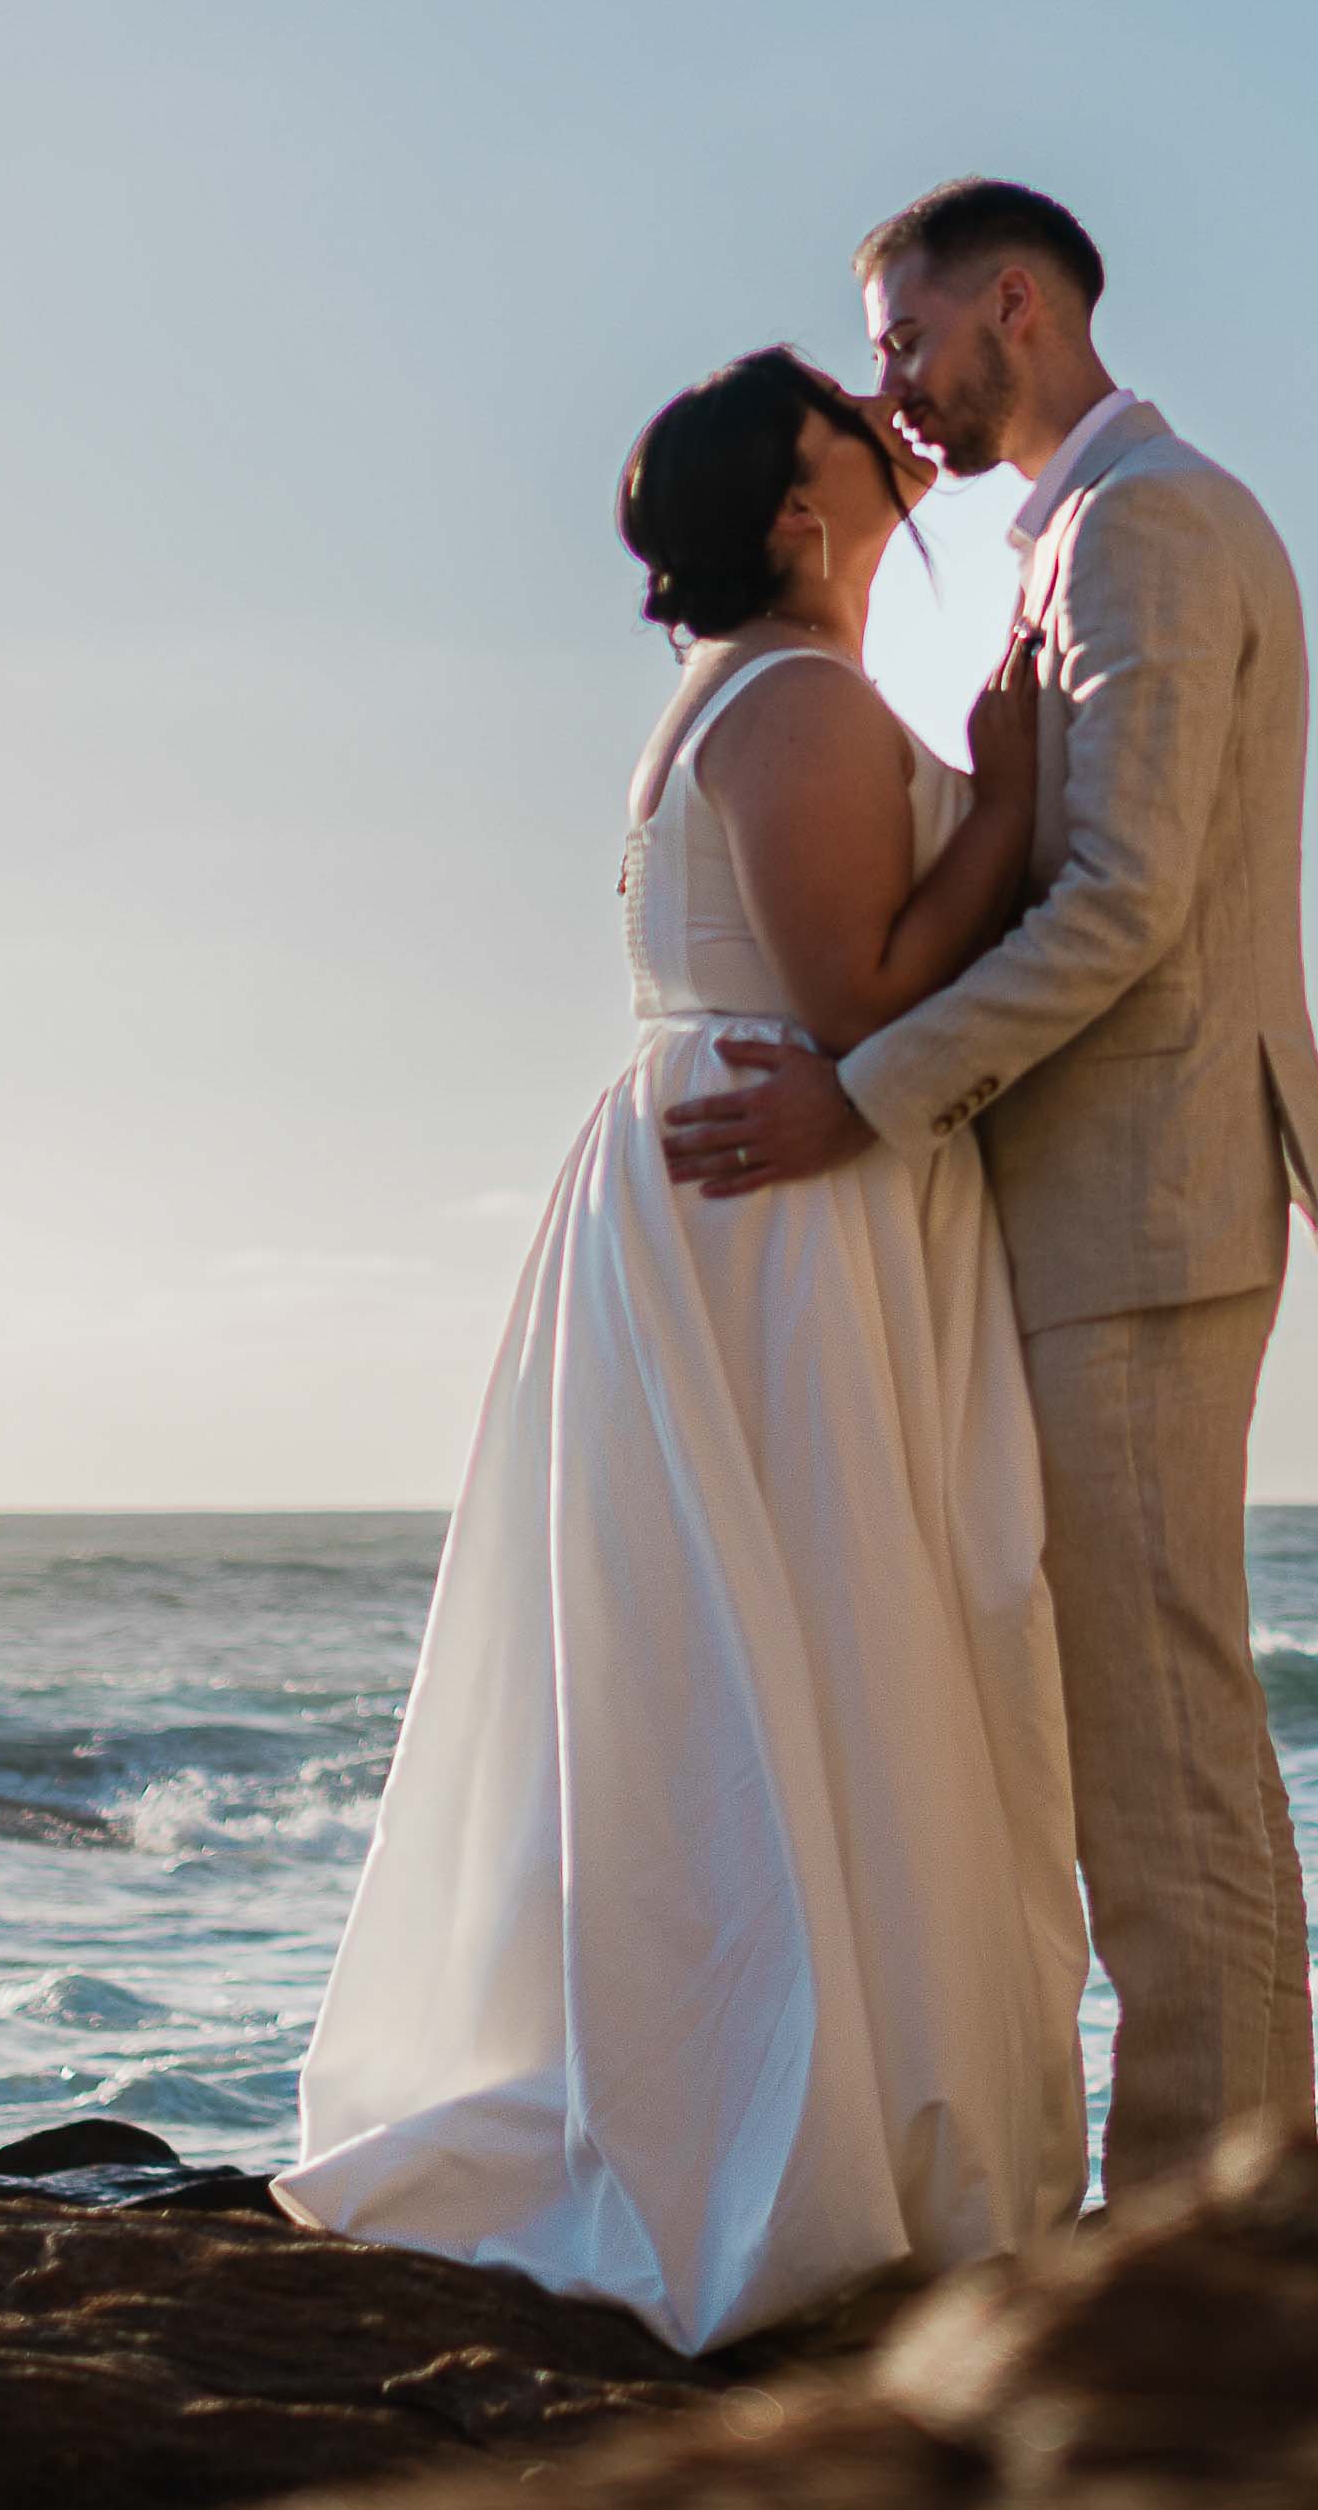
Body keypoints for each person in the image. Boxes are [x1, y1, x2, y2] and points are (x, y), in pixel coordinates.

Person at [279, 348, 1087, 2348]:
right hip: (778, 1207)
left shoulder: (750, 691)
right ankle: (798, 2139)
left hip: (731, 1193)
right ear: (803, 518)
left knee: (760, 1649)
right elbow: (865, 982)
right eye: (853, 435)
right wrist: (1007, 786)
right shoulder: (802, 699)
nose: (896, 449)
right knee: (824, 1624)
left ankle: (771, 2088)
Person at [666, 182, 1318, 2201]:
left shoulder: (1146, 522)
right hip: (1088, 1207)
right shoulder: (1071, 534)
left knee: (1159, 1743)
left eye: (902, 339)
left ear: (1018, 305)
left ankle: (1207, 2226)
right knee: (1136, 1734)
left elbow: (1131, 899)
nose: (888, 385)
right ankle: (1211, 2200)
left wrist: (869, 1099)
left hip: (1141, 1199)